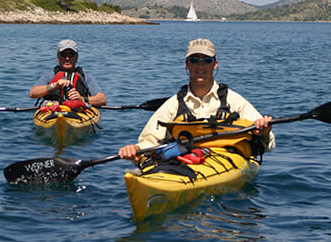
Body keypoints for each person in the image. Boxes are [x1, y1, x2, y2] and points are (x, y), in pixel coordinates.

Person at [118, 38, 274, 161]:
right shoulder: (173, 105)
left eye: (207, 60)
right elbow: (150, 140)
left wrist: (264, 132)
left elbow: (270, 144)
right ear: (186, 64)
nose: (200, 66)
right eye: (194, 60)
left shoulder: (234, 101)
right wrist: (135, 149)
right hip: (186, 162)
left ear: (215, 64)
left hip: (227, 162)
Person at [29, 39, 107, 107]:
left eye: (71, 55)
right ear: (58, 57)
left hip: (78, 112)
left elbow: (102, 99)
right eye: (64, 54)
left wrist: (82, 98)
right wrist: (54, 85)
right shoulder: (49, 75)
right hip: (53, 110)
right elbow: (33, 93)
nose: (67, 58)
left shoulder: (86, 77)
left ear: (77, 57)